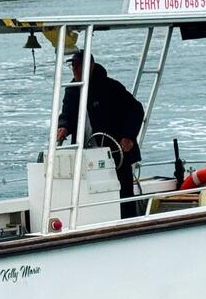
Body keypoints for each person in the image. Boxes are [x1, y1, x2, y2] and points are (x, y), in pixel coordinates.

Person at [56, 53, 145, 218]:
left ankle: (128, 224)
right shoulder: (72, 90)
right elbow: (67, 113)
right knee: (90, 194)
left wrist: (128, 136)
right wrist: (63, 127)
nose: (74, 69)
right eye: (72, 66)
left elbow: (136, 109)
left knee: (124, 194)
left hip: (116, 153)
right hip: (87, 155)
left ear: (91, 66)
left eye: (78, 65)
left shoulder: (110, 87)